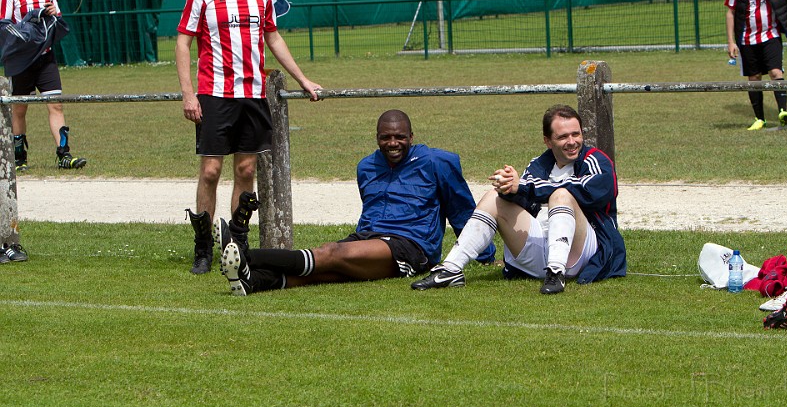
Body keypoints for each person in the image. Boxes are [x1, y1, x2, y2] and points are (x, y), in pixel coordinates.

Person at [216, 109, 496, 295]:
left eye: (400, 137)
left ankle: (245, 255)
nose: (393, 143)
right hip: (368, 237)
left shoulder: (438, 161)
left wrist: (484, 256)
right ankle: (254, 281)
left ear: (411, 136)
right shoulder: (366, 167)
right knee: (328, 270)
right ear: (377, 138)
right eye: (386, 137)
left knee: (332, 252)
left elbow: (461, 209)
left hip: (410, 247)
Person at [176, 0, 323, 275]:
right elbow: (182, 41)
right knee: (210, 171)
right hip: (214, 95)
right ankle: (203, 248)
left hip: (253, 96)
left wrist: (302, 79)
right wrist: (187, 93)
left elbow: (273, 38)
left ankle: (237, 242)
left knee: (245, 169)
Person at [411, 104, 626, 295]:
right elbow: (526, 201)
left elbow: (594, 192)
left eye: (576, 134)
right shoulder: (539, 164)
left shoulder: (596, 160)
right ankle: (450, 269)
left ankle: (556, 273)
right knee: (493, 197)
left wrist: (523, 186)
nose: (572, 142)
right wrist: (508, 188)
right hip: (540, 250)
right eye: (563, 137)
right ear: (547, 141)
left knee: (561, 195)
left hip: (581, 253)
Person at [0, 0, 87, 172]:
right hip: (21, 62)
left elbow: (57, 19)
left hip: (46, 59)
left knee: (56, 104)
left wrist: (50, 15)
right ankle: (19, 158)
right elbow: (4, 28)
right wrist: (28, 25)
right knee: (19, 109)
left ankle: (64, 155)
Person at [726, 0, 787, 131]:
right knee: (754, 78)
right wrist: (731, 42)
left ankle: (783, 112)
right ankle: (760, 119)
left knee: (775, 72)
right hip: (746, 39)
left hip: (770, 36)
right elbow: (730, 12)